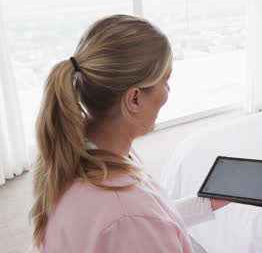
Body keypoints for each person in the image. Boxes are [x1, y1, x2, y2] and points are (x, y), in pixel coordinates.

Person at [29, 14, 229, 252]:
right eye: (165, 81)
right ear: (134, 98)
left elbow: (151, 219)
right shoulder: (128, 215)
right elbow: (139, 221)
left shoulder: (83, 149)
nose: (168, 91)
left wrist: (206, 204)